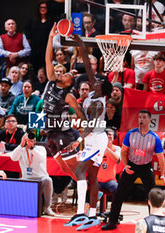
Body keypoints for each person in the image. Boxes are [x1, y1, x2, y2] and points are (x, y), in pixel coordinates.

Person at [64, 33, 112, 231]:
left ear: (104, 90)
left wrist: (78, 140)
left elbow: (91, 126)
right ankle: (92, 215)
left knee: (79, 171)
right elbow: (87, 65)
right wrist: (81, 45)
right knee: (92, 178)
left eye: (99, 83)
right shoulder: (94, 91)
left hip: (95, 137)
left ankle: (80, 213)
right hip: (93, 137)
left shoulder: (98, 104)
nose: (95, 81)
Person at [102, 110, 165, 231]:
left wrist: (162, 175)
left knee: (152, 196)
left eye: (144, 117)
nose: (141, 120)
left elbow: (161, 158)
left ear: (149, 120)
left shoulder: (154, 138)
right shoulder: (131, 134)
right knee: (119, 193)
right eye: (139, 117)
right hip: (132, 165)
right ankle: (112, 222)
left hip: (146, 167)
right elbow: (123, 151)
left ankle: (153, 223)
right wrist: (126, 165)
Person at [44, 23, 86, 180]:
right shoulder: (51, 80)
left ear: (70, 83)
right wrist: (50, 38)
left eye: (67, 74)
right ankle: (87, 192)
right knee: (63, 167)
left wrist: (84, 127)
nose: (63, 74)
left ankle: (90, 196)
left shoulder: (68, 95)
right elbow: (48, 59)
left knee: (74, 168)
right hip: (50, 132)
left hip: (63, 133)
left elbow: (79, 111)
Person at [10, 131, 55, 216]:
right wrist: (21, 145)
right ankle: (17, 207)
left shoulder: (41, 148)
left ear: (34, 140)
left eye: (31, 139)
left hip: (41, 178)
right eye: (26, 139)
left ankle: (47, 207)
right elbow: (13, 158)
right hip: (26, 178)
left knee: (48, 180)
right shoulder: (21, 150)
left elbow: (41, 158)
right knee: (16, 182)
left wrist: (32, 148)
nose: (29, 141)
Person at [25, 0, 54, 72]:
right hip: (35, 49)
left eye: (45, 7)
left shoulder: (52, 21)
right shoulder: (32, 20)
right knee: (34, 69)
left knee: (47, 67)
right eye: (41, 7)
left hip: (47, 48)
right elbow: (28, 35)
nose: (43, 9)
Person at [97, 129, 121, 194]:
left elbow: (117, 159)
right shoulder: (97, 148)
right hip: (97, 180)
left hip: (110, 181)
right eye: (106, 134)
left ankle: (115, 204)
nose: (108, 136)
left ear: (114, 137)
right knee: (89, 189)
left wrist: (106, 148)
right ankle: (90, 204)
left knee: (118, 190)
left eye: (110, 135)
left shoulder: (117, 148)